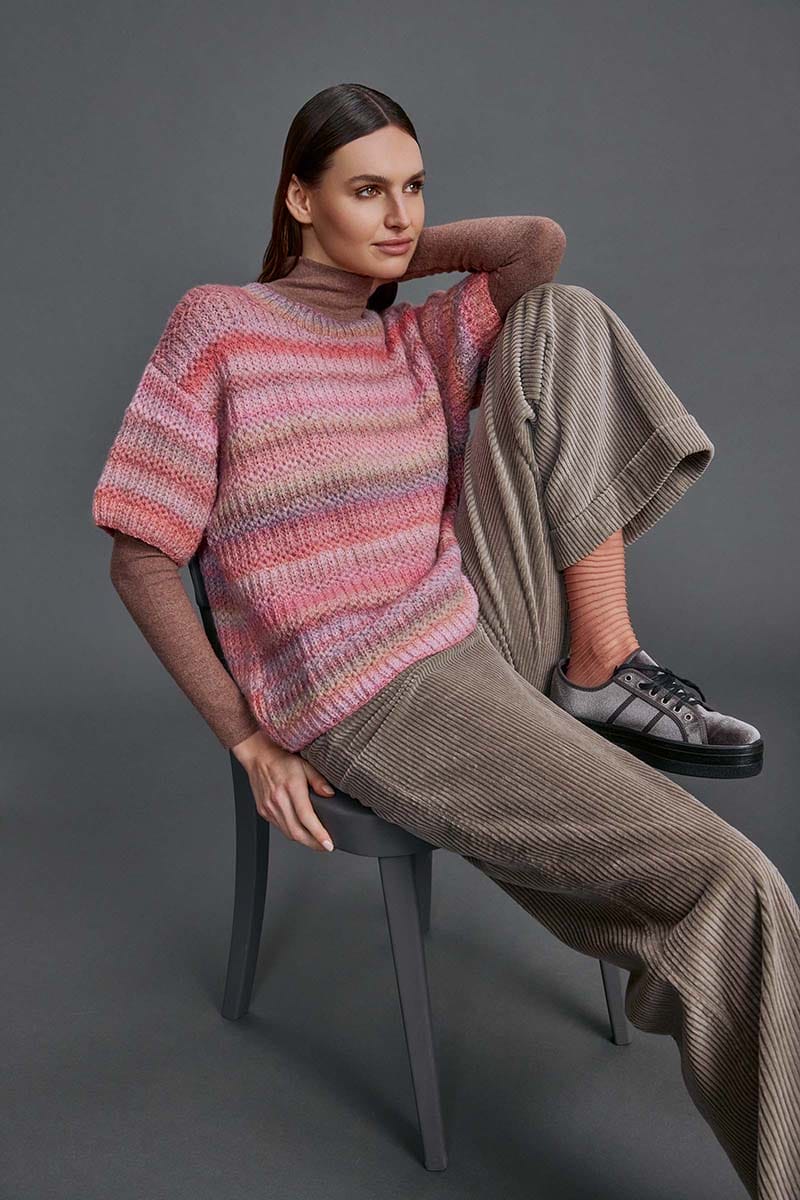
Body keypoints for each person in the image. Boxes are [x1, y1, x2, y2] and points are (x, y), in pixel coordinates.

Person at [91, 83, 799, 1198]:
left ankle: (600, 662)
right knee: (730, 881)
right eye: (365, 190)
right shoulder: (219, 326)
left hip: (472, 613)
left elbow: (532, 249)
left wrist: (379, 258)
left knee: (561, 315)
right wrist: (246, 737)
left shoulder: (406, 338)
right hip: (372, 692)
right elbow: (140, 554)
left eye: (412, 189)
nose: (399, 215)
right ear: (298, 197)